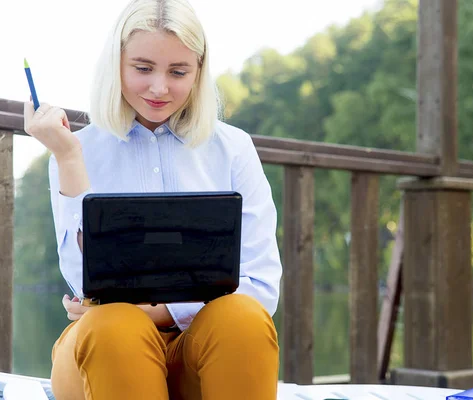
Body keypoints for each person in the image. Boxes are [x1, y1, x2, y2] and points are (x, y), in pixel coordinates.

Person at [22, 0, 282, 399]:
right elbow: (86, 288)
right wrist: (69, 157)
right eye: (143, 68)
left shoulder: (233, 148)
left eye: (178, 72)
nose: (159, 88)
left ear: (198, 73)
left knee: (243, 317)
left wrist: (159, 312)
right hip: (104, 350)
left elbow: (261, 286)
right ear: (117, 65)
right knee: (114, 324)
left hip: (200, 354)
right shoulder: (75, 149)